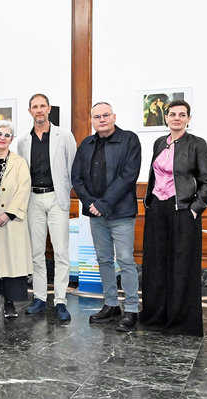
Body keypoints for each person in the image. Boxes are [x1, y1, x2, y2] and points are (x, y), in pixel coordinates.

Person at [140, 100, 207, 337]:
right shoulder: (160, 142)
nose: (177, 118)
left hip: (183, 210)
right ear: (167, 118)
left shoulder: (198, 144)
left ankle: (180, 322)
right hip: (158, 209)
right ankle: (156, 317)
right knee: (156, 263)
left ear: (189, 119)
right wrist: (148, 203)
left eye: (182, 115)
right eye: (172, 114)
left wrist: (195, 208)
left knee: (181, 265)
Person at [71, 102, 142, 332]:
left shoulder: (129, 140)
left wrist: (103, 203)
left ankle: (132, 309)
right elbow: (77, 177)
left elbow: (128, 175)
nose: (101, 119)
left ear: (114, 117)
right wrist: (90, 203)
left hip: (121, 213)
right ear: (91, 120)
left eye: (105, 115)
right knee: (103, 260)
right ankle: (111, 305)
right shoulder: (86, 144)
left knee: (125, 260)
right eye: (96, 116)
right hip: (95, 214)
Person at [16, 94, 76, 323]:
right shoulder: (23, 141)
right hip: (33, 200)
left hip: (56, 198)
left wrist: (65, 190)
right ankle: (40, 298)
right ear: (30, 110)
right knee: (37, 253)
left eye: (42, 106)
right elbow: (22, 173)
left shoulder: (64, 136)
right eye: (35, 107)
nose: (39, 110)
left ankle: (60, 300)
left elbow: (73, 166)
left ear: (49, 109)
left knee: (61, 252)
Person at [0, 120, 32, 319]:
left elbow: (23, 189)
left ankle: (10, 302)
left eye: (7, 135)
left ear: (11, 139)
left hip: (12, 221)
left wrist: (7, 214)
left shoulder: (19, 162)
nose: (2, 138)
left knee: (13, 262)